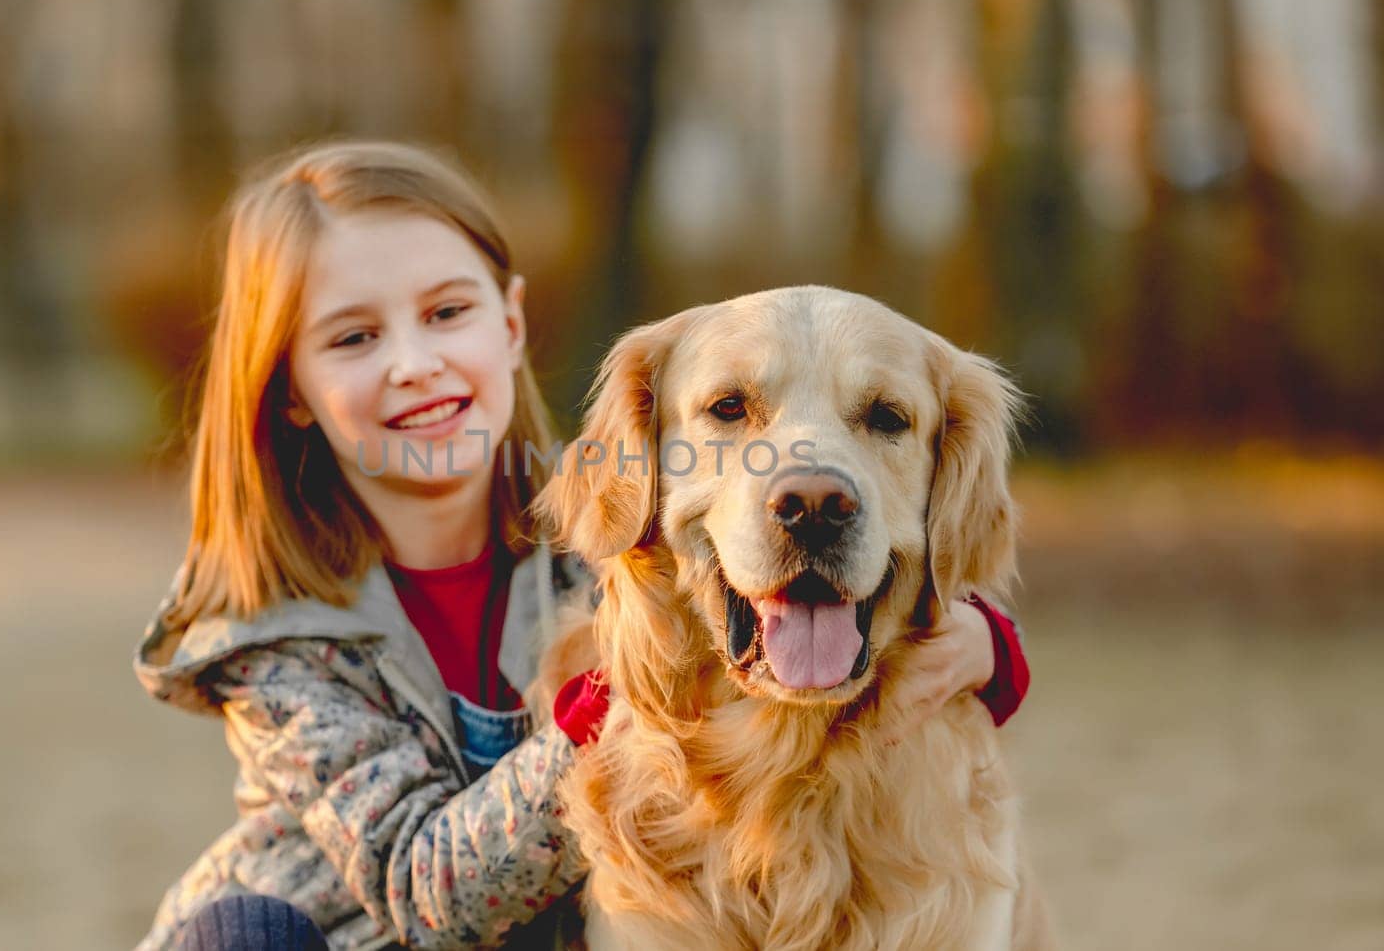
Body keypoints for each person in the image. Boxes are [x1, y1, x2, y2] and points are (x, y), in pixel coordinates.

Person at [132, 141, 1030, 951]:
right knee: (240, 935)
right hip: (330, 940)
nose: (413, 361)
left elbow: (860, 578)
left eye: (447, 312)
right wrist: (628, 694)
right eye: (356, 336)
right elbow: (427, 888)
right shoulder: (269, 637)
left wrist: (987, 646)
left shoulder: (611, 521)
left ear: (511, 322)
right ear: (289, 386)